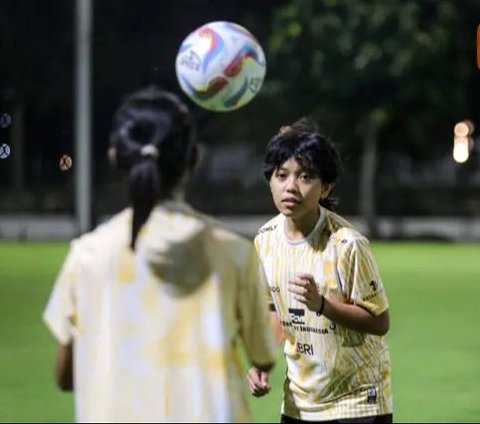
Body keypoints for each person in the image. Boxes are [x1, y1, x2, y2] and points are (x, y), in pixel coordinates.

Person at [43, 86, 276, 423]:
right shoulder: (233, 252)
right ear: (194, 157)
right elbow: (264, 356)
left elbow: (65, 376)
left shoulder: (88, 256)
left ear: (114, 157)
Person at [247, 118, 393, 423]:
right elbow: (275, 308)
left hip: (357, 401)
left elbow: (379, 321)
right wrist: (262, 360)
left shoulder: (347, 244)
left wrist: (322, 305)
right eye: (282, 175)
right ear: (269, 181)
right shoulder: (264, 240)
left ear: (325, 187)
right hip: (300, 403)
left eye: (305, 177)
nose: (290, 186)